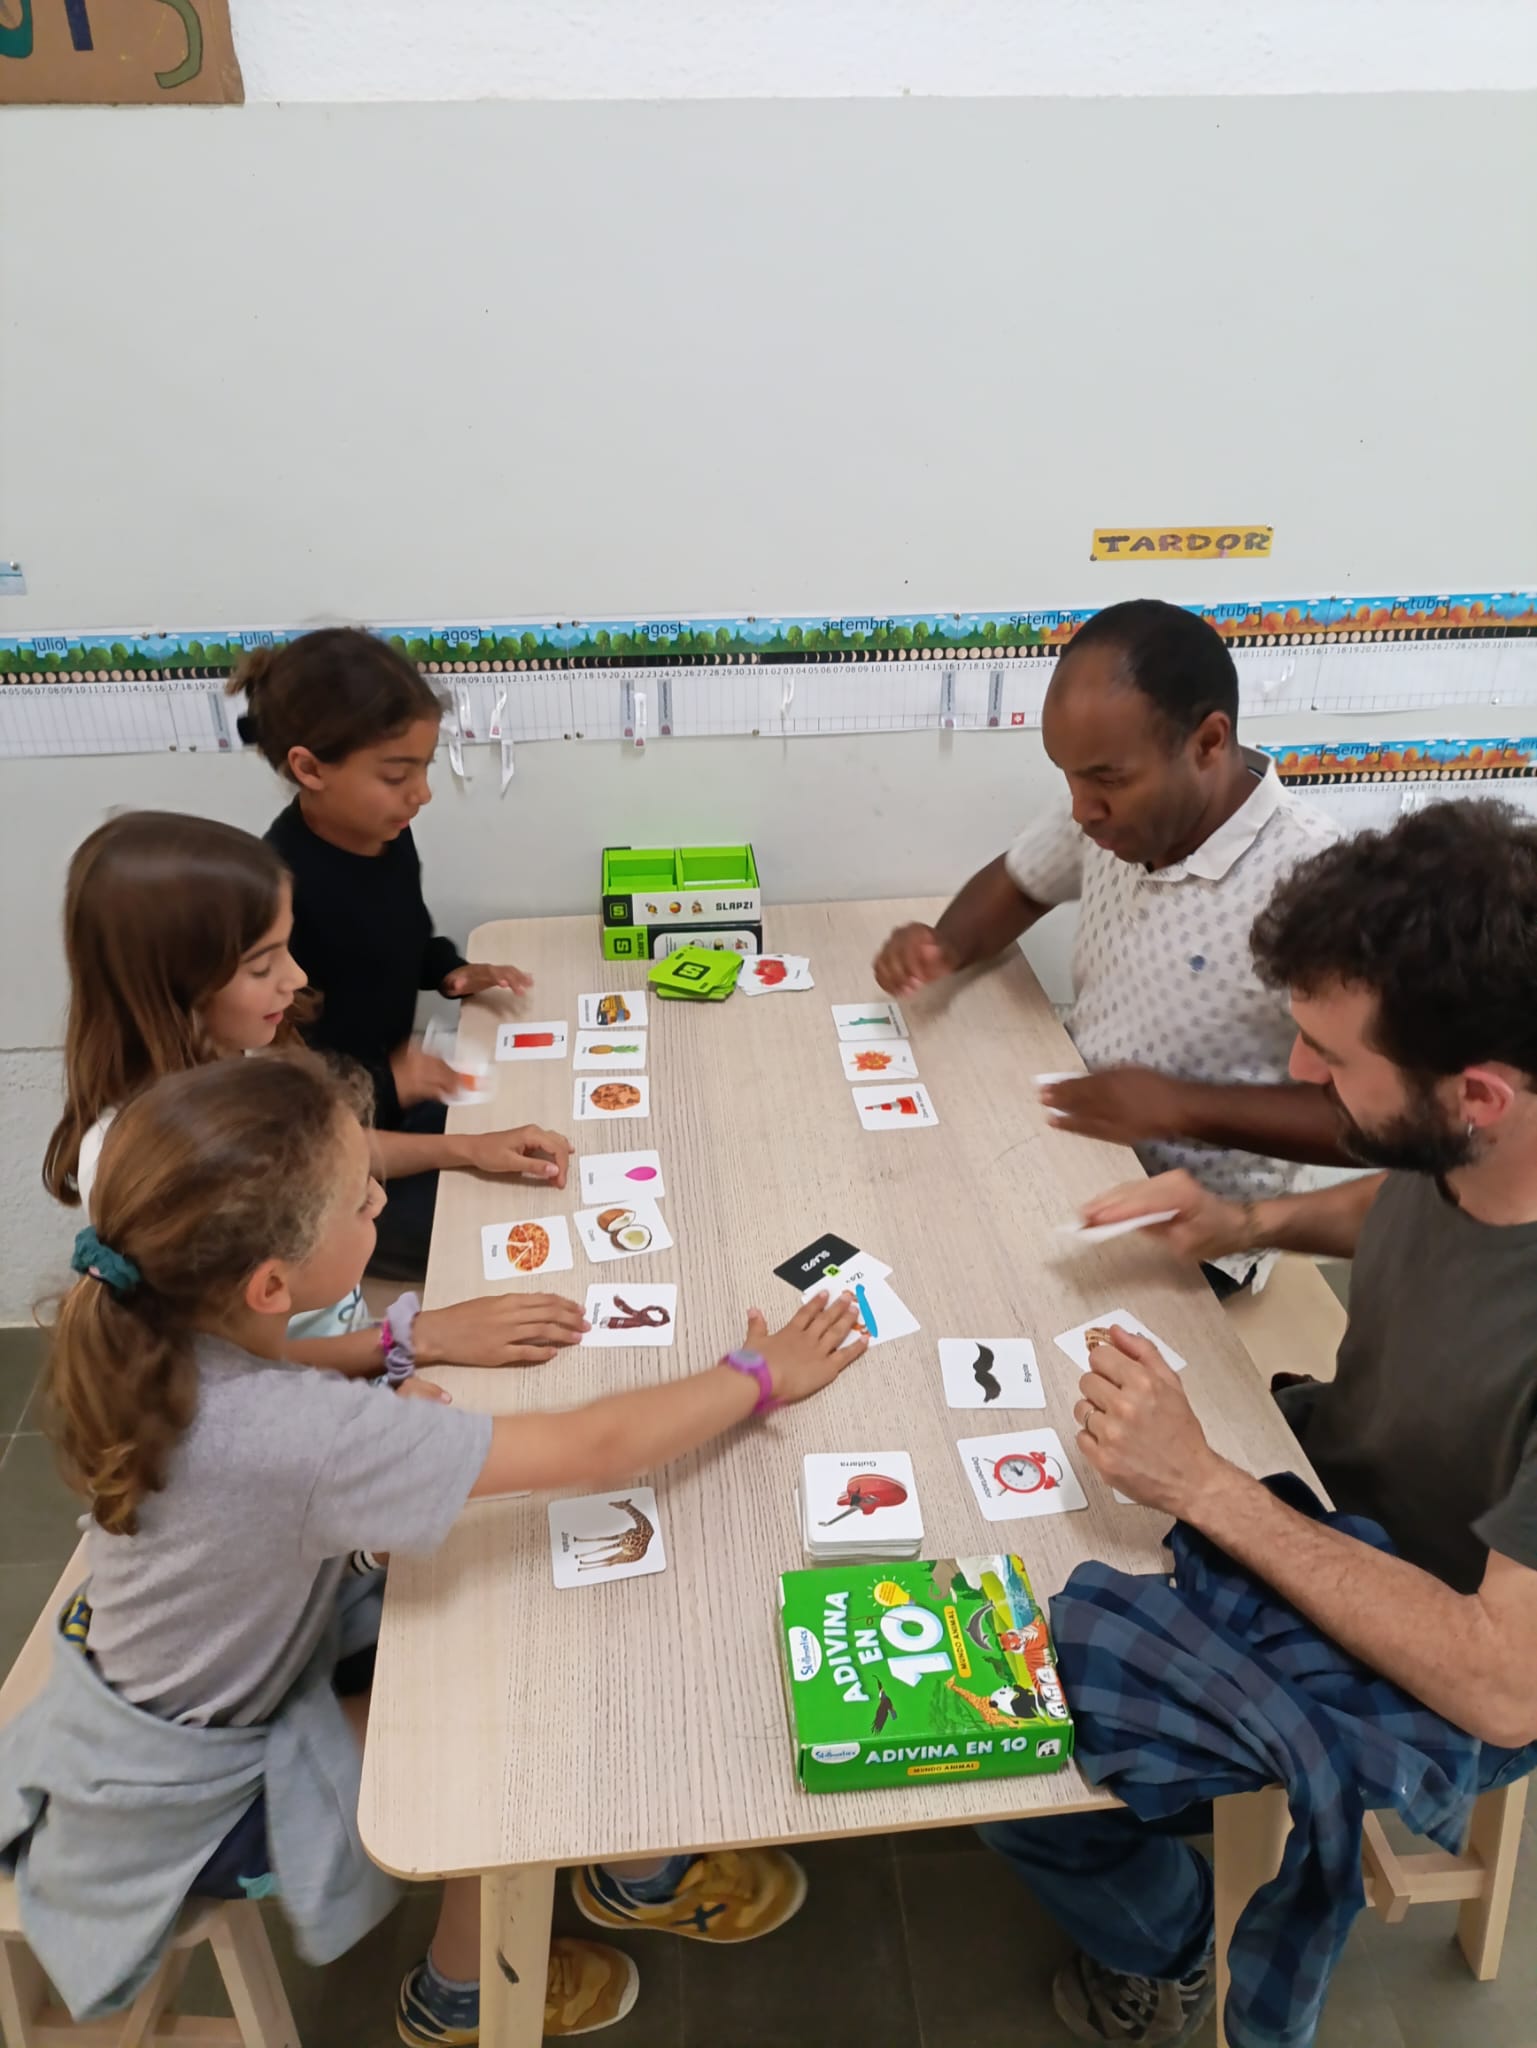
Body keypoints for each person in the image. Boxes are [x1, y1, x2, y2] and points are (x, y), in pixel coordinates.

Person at [0, 1052, 870, 2041]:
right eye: (358, 1198)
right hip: (195, 1794)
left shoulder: (160, 1328)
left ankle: (633, 1869)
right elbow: (593, 1447)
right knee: (516, 1722)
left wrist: (389, 1393)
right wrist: (760, 1374)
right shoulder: (292, 1434)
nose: (380, 1197)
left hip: (176, 1675)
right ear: (272, 1281)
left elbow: (274, 1469)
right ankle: (461, 1993)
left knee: (501, 1607)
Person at [981, 800, 1537, 2045]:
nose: (1295, 1074)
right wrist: (1250, 1221)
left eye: (1329, 1056)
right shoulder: (1482, 1148)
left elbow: (1506, 1688)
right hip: (1328, 1479)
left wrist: (1206, 1483)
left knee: (1008, 1750)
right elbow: (1407, 1199)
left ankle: (1173, 1947)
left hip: (1441, 1643)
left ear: (1477, 1094)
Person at [872, 598, 1344, 1289]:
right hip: (1077, 1144)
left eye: (1107, 779)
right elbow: (1021, 881)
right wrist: (945, 945)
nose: (1080, 808)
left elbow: (1370, 1116)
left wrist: (1180, 1106)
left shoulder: (1319, 886)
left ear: (1208, 743)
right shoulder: (1115, 818)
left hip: (1196, 1227)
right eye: (1067, 775)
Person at [44, 811, 587, 1378]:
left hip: (350, 1347)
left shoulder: (240, 1050)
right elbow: (226, 1372)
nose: (298, 977)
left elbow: (333, 1148)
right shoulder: (144, 1162)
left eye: (287, 947)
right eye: (262, 966)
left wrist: (468, 1148)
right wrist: (415, 1338)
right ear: (173, 986)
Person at [230, 628, 535, 1277]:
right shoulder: (280, 891)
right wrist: (391, 1081)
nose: (421, 793)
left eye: (424, 767)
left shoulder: (387, 835)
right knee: (487, 1228)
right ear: (310, 769)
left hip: (394, 1102)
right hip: (335, 1149)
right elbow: (289, 1079)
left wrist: (449, 970)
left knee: (532, 1133)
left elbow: (400, 936)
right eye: (397, 775)